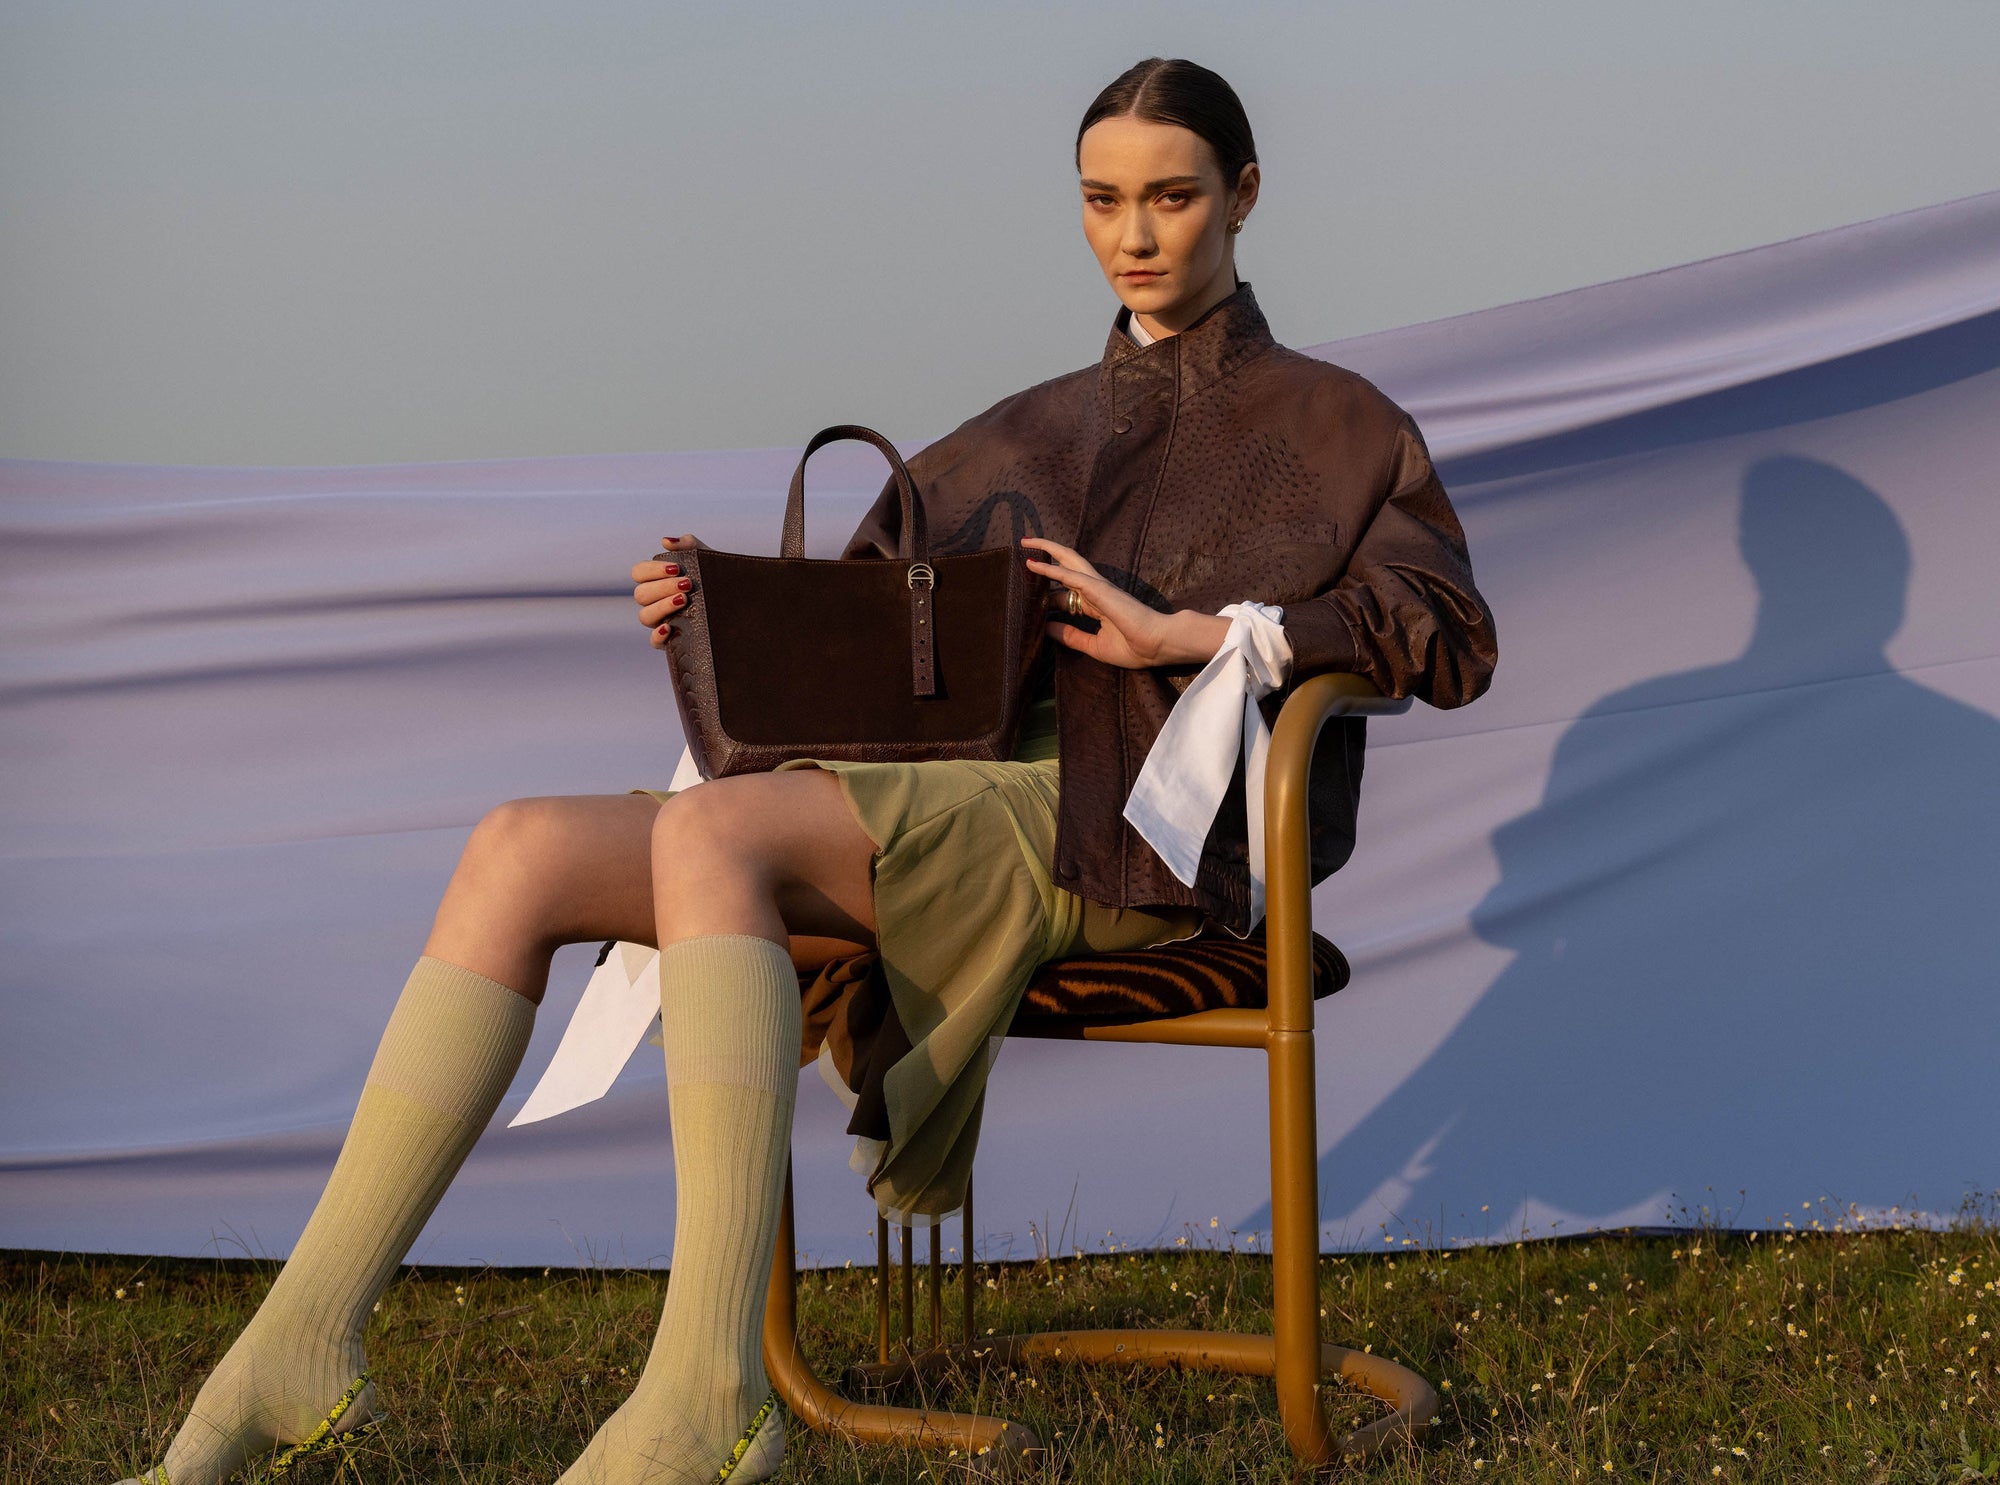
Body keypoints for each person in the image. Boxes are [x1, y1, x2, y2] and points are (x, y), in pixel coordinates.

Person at [117, 55, 1496, 1485]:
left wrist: (1194, 632)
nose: (1135, 235)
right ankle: (296, 1346)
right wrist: (718, 620)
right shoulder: (1025, 427)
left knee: (714, 839)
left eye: (1172, 198)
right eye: (1101, 201)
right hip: (950, 800)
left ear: (1245, 196)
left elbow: (1449, 632)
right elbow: (862, 629)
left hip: (1136, 837)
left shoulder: (1340, 426)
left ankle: (709, 1395)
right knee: (517, 842)